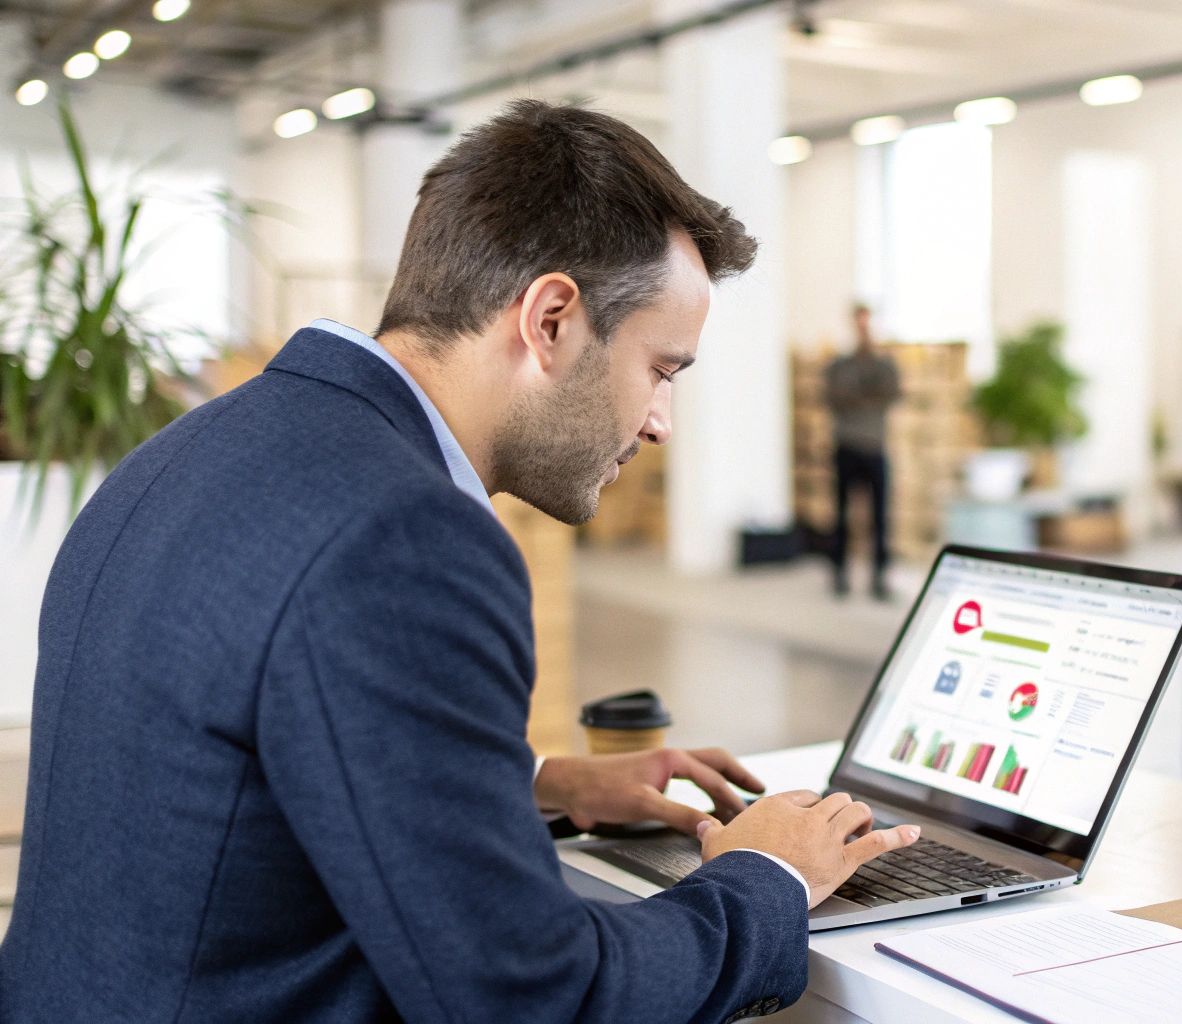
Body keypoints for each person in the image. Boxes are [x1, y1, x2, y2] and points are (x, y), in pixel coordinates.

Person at [0, 100, 918, 1024]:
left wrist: (526, 783)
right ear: (551, 319)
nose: (658, 423)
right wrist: (768, 877)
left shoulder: (193, 451)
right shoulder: (404, 536)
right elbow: (531, 998)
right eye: (662, 369)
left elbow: (231, 777)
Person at [823, 303, 901, 600]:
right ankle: (839, 572)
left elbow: (889, 394)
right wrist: (865, 396)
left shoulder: (884, 365)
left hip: (875, 447)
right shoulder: (840, 365)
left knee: (880, 517)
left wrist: (856, 397)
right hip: (846, 446)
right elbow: (834, 397)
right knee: (841, 514)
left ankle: (880, 576)